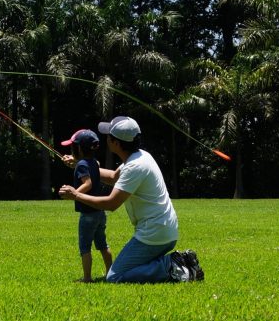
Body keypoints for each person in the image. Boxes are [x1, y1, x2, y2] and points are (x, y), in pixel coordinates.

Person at [59, 116, 204, 283]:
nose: (106, 138)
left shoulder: (134, 167)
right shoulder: (140, 156)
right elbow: (113, 177)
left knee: (115, 277)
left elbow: (111, 203)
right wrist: (80, 163)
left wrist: (76, 195)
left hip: (153, 235)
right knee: (128, 270)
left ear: (116, 143)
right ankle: (175, 262)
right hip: (164, 231)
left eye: (109, 136)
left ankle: (172, 266)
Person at [58, 129, 113, 282]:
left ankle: (87, 278)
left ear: (80, 149)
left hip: (88, 213)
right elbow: (92, 166)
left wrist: (74, 193)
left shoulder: (82, 164)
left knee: (85, 248)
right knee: (102, 244)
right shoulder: (94, 162)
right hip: (100, 213)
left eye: (73, 147)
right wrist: (75, 160)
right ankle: (110, 274)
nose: (71, 149)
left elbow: (87, 184)